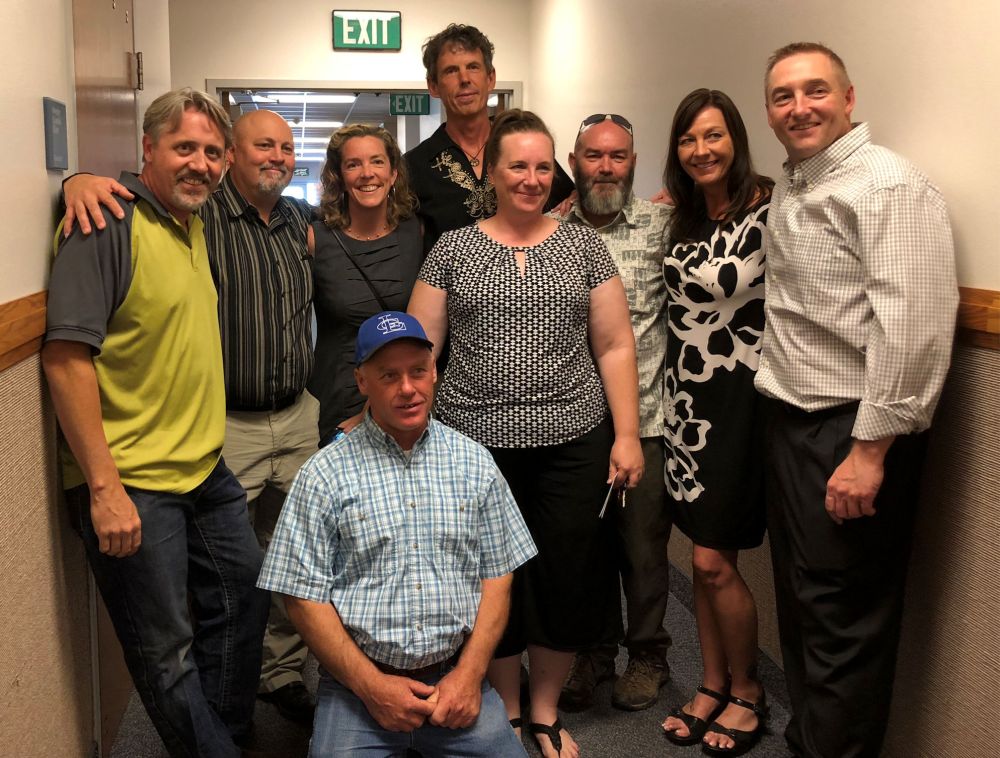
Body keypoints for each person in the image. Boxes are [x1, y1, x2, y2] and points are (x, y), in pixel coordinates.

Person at [60, 109, 321, 723]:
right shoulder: (177, 216)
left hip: (251, 438)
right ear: (149, 148)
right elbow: (66, 357)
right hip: (188, 447)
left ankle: (248, 704)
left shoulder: (289, 222)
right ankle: (211, 732)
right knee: (179, 629)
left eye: (287, 148)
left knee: (260, 580)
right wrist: (76, 179)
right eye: (262, 145)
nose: (277, 157)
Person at [408, 109, 643, 758]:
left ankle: (544, 711)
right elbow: (421, 350)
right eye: (518, 165)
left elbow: (615, 345)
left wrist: (626, 435)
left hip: (573, 442)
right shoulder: (453, 249)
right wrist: (409, 435)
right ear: (492, 172)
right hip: (474, 447)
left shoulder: (583, 247)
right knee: (493, 580)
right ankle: (506, 710)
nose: (532, 179)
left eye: (543, 167)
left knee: (566, 577)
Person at [758, 43, 958, 758]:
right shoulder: (796, 184)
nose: (799, 108)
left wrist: (869, 453)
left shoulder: (887, 186)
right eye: (782, 96)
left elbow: (912, 329)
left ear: (848, 99)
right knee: (805, 604)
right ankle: (810, 741)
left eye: (815, 91)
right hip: (792, 424)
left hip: (851, 433)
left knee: (843, 620)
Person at [257, 311, 537, 757]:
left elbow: (498, 576)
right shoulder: (323, 474)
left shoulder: (474, 462)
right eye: (389, 375)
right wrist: (372, 687)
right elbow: (302, 596)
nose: (408, 388)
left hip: (454, 678)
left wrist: (469, 675)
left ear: (434, 372)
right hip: (357, 683)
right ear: (361, 381)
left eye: (418, 371)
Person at [655, 89, 774, 756]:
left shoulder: (771, 209)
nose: (701, 150)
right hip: (685, 405)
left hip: (742, 404)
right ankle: (711, 684)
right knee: (701, 560)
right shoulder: (681, 216)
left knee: (713, 559)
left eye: (713, 136)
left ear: (736, 139)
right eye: (688, 139)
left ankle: (749, 691)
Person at [551, 113, 673, 713]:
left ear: (634, 162)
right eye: (594, 155)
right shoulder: (548, 231)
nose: (605, 167)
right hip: (573, 425)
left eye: (617, 156)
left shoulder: (663, 226)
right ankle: (591, 654)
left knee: (642, 552)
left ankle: (648, 655)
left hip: (644, 421)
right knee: (582, 551)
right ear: (574, 162)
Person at [405, 23, 573, 252]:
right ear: (433, 86)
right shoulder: (415, 166)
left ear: (491, 78)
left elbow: (570, 203)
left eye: (473, 67)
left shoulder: (525, 147)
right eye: (451, 71)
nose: (464, 78)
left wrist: (577, 197)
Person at [309, 124, 424, 444]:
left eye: (377, 161)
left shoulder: (417, 233)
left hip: (402, 397)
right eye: (353, 164)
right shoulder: (316, 239)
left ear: (393, 173)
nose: (367, 173)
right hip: (337, 399)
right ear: (338, 176)